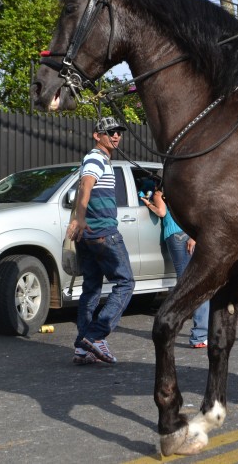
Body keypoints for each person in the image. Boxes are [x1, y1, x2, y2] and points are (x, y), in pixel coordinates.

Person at [142, 188, 238, 346]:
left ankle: (200, 335)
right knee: (233, 277)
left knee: (192, 284)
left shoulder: (163, 193)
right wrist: (196, 235)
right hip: (202, 233)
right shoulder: (193, 189)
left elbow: (162, 212)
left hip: (176, 236)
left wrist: (148, 204)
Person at [67, 116, 136, 365]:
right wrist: (80, 218)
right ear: (97, 136)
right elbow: (85, 186)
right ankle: (96, 336)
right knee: (126, 283)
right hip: (104, 233)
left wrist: (78, 220)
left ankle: (82, 347)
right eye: (110, 132)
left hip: (89, 235)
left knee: (91, 288)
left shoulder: (99, 159)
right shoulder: (96, 158)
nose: (116, 136)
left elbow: (81, 190)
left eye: (118, 132)